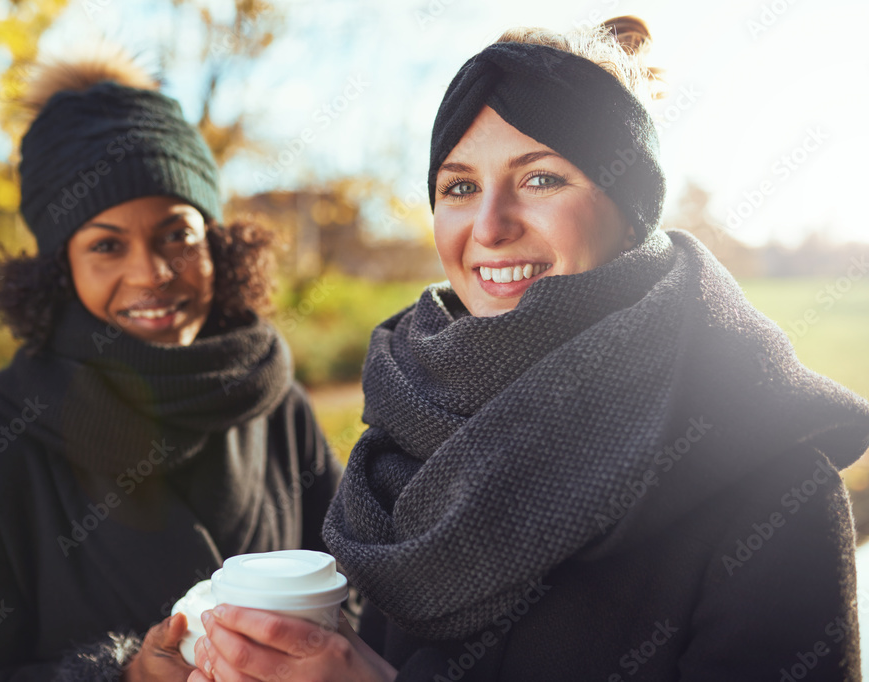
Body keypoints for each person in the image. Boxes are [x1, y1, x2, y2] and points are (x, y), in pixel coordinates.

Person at [194, 17, 869, 682]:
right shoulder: (406, 451)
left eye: (540, 178)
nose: (488, 226)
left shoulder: (772, 492)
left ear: (632, 209)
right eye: (459, 187)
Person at [0, 50, 340, 681]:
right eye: (106, 245)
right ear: (60, 270)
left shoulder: (276, 405)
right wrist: (121, 676)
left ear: (217, 243)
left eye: (177, 234)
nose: (151, 273)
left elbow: (359, 593)